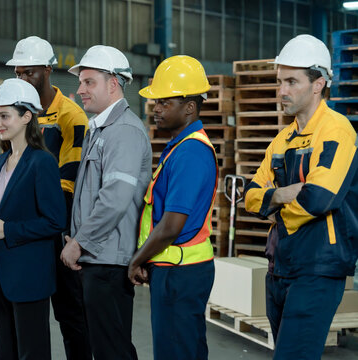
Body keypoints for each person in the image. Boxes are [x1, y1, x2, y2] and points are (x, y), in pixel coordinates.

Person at [245, 34, 358, 359]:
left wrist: (275, 203)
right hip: (279, 267)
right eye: (280, 81)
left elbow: (319, 198)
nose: (282, 91)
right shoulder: (282, 140)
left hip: (319, 267)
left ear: (318, 83)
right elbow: (252, 197)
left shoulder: (337, 131)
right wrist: (284, 194)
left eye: (292, 81)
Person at [61, 45, 152, 360]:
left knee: (111, 349)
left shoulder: (124, 131)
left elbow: (114, 200)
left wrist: (79, 242)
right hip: (96, 257)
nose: (81, 90)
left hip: (109, 259)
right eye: (81, 82)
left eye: (89, 82)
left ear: (113, 83)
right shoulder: (101, 128)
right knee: (106, 347)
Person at [5, 35, 91, 360]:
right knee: (28, 316)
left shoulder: (71, 117)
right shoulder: (16, 115)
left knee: (71, 315)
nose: (24, 79)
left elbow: (70, 181)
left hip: (58, 230)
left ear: (48, 69)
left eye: (30, 72)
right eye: (18, 73)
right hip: (25, 233)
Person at [128, 56, 217, 360]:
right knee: (180, 348)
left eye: (164, 102)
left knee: (178, 351)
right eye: (156, 102)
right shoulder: (180, 147)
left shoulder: (191, 151)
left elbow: (171, 225)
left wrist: (136, 260)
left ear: (189, 107)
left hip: (181, 273)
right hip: (173, 269)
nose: (156, 108)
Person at [0, 78, 67, 360]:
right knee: (7, 354)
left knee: (32, 353)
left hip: (29, 277)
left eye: (4, 116)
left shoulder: (42, 162)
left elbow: (55, 220)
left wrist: (9, 230)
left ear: (27, 116)